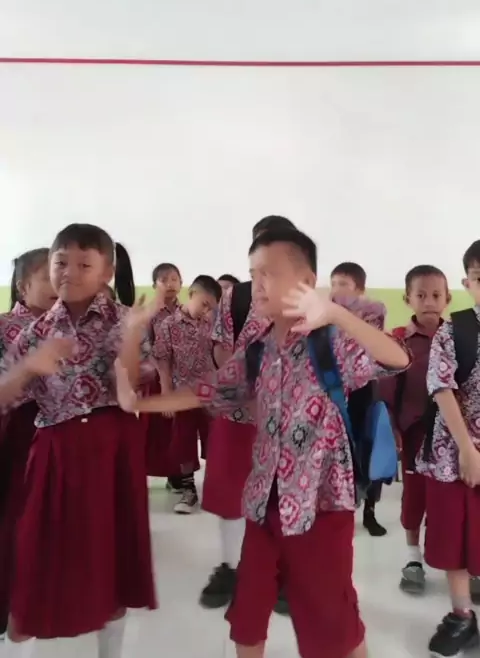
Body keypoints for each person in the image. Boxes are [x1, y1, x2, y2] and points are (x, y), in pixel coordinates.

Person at [117, 227, 410, 658]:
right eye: (254, 274)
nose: (257, 284)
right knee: (247, 618)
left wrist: (334, 312)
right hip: (262, 503)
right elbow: (210, 389)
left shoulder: (331, 341)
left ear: (306, 281)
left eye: (269, 273)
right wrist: (140, 403)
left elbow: (397, 358)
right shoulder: (258, 349)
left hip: (321, 505)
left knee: (331, 623)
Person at [0, 224, 160, 658]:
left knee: (112, 564)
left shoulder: (124, 319)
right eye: (60, 263)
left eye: (84, 264)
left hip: (112, 451)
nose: (69, 272)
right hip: (55, 452)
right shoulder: (36, 331)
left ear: (106, 271)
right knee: (35, 566)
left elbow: (129, 389)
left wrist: (131, 337)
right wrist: (28, 367)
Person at [201, 215, 296, 613]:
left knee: (283, 495)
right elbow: (221, 345)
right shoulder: (236, 296)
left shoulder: (303, 298)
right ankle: (230, 567)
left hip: (287, 419)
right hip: (237, 414)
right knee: (229, 493)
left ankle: (283, 573)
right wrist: (244, 393)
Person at [416, 240, 480, 657]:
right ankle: (462, 615)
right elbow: (441, 388)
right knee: (453, 539)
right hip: (452, 457)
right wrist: (468, 450)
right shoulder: (454, 330)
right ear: (467, 282)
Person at [380, 265, 450, 595]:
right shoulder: (397, 340)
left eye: (436, 295)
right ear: (408, 299)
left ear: (447, 299)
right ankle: (413, 559)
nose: (429, 302)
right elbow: (386, 392)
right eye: (421, 295)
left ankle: (462, 563)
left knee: (452, 501)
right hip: (413, 435)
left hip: (453, 438)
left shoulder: (459, 337)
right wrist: (392, 431)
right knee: (414, 497)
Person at [0, 249, 57, 637]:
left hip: (59, 434)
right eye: (47, 275)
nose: (59, 281)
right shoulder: (6, 327)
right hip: (20, 431)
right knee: (15, 519)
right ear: (23, 286)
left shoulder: (68, 325)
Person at [153, 274, 222, 514]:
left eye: (211, 308)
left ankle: (215, 488)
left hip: (209, 394)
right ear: (192, 294)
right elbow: (163, 361)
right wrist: (166, 393)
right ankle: (188, 490)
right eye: (204, 304)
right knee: (183, 441)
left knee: (215, 439)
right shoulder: (168, 325)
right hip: (182, 394)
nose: (206, 311)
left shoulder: (212, 325)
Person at [330, 262, 388, 537]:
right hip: (335, 391)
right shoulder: (326, 315)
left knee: (370, 448)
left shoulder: (372, 312)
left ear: (360, 289)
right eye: (334, 284)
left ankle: (370, 512)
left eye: (343, 284)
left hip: (365, 389)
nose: (336, 290)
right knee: (341, 450)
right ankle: (343, 507)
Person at [141, 262, 184, 489]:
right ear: (154, 285)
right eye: (164, 280)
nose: (170, 284)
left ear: (181, 283)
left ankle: (175, 474)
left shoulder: (185, 312)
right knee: (152, 430)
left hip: (181, 379)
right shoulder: (149, 314)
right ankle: (141, 474)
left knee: (177, 430)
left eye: (174, 279)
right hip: (156, 380)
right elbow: (146, 347)